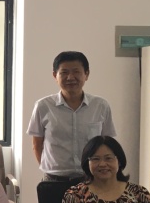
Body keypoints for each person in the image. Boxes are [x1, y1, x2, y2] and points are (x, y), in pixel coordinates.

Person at [27, 51, 116, 187]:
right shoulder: (43, 106)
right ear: (55, 75)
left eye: (76, 72)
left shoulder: (100, 106)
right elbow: (37, 145)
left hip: (91, 179)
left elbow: (107, 144)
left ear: (86, 74)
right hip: (54, 180)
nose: (70, 77)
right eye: (64, 72)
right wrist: (50, 170)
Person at [61, 136, 150, 203]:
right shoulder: (75, 195)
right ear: (87, 163)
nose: (102, 164)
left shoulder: (140, 194)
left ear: (119, 161)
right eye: (95, 159)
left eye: (108, 158)